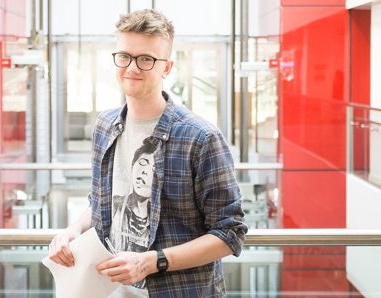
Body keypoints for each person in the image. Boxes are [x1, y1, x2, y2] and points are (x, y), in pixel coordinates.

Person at [49, 9, 247, 297]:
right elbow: (101, 202)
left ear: (166, 68)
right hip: (109, 290)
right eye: (124, 56)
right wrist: (73, 230)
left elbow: (230, 233)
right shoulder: (105, 126)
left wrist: (151, 262)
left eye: (146, 59)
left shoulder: (201, 137)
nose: (132, 68)